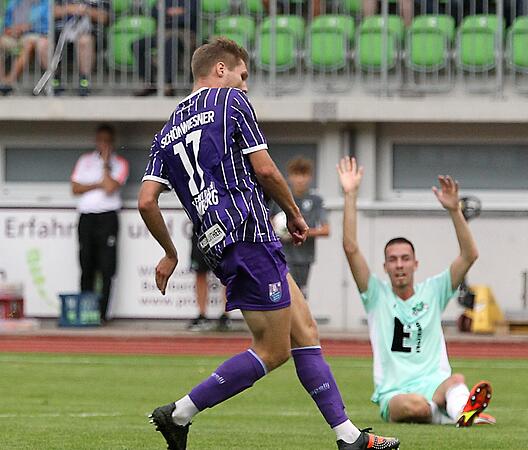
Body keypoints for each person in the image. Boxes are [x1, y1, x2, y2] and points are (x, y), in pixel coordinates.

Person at [138, 37, 399, 450]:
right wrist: (295, 214)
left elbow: (146, 201)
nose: (245, 86)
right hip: (250, 235)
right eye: (243, 75)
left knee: (305, 329)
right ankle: (179, 412)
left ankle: (348, 436)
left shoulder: (166, 131)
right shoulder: (230, 102)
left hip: (222, 243)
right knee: (273, 350)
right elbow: (267, 171)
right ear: (221, 69)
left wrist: (170, 252)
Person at [337, 156, 494, 426]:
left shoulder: (433, 291)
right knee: (415, 406)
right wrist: (350, 195)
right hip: (395, 393)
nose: (400, 265)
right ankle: (453, 414)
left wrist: (455, 211)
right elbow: (351, 249)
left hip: (435, 383)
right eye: (393, 260)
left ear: (415, 263)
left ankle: (461, 412)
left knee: (455, 381)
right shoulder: (376, 296)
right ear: (385, 267)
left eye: (405, 258)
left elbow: (470, 255)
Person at [70, 124, 129, 324]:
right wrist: (97, 184)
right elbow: (75, 187)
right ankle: (86, 312)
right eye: (100, 140)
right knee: (86, 264)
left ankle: (102, 314)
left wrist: (105, 165)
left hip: (107, 217)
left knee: (106, 267)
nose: (102, 144)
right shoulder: (85, 160)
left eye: (106, 140)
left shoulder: (119, 163)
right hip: (87, 217)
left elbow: (111, 187)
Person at [270, 157, 329, 299]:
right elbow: (269, 222)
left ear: (310, 177)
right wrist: (278, 231)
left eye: (304, 175)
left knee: (300, 295)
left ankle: (299, 321)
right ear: (289, 177)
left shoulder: (316, 201)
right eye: (296, 175)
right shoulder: (280, 197)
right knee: (283, 293)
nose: (300, 179)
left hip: (304, 256)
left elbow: (326, 230)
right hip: (282, 254)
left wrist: (302, 232)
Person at [133, 0, 198, 96]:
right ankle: (150, 83)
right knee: (137, 45)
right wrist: (177, 12)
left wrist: (166, 13)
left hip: (183, 33)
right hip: (163, 32)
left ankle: (168, 84)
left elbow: (189, 17)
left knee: (170, 43)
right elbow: (153, 13)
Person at [0, 0, 49, 95]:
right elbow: (6, 23)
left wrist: (25, 28)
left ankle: (9, 81)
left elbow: (44, 26)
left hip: (33, 34)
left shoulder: (44, 3)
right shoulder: (14, 2)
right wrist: (10, 30)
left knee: (28, 43)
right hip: (13, 35)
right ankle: (1, 81)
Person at [188, 229, 230, 331]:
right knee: (200, 272)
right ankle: (202, 315)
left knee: (227, 271)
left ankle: (225, 316)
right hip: (201, 230)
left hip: (224, 229)